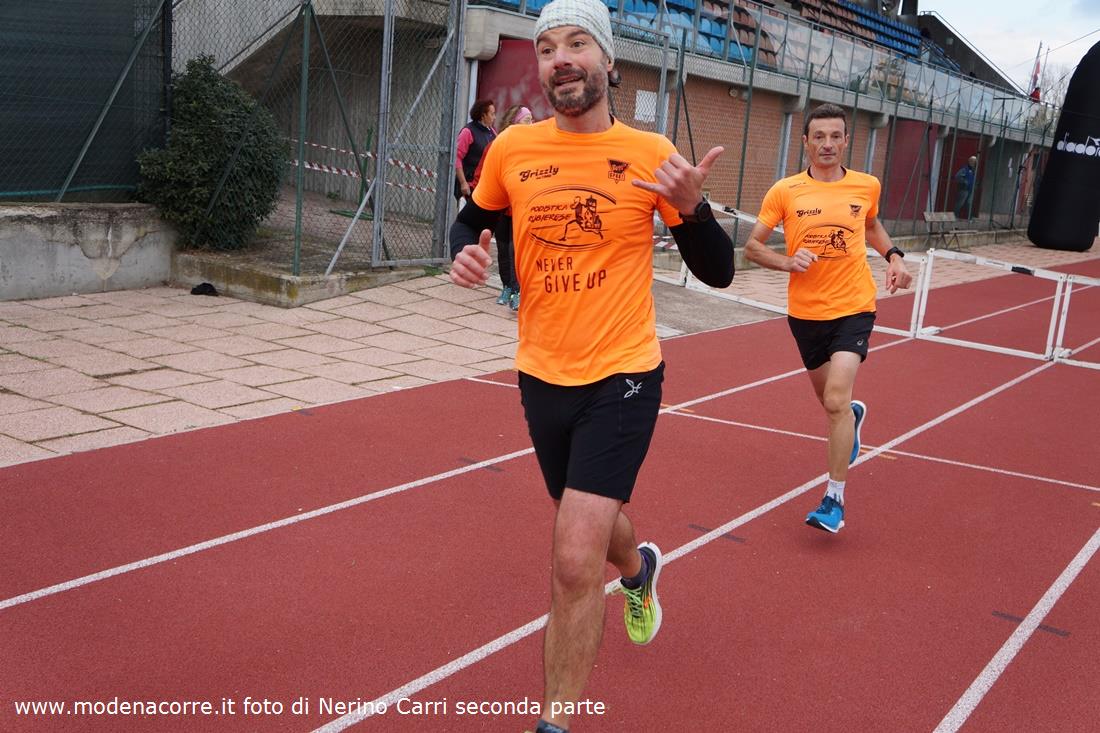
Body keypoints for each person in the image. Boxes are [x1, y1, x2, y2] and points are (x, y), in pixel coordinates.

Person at [448, 1, 734, 730]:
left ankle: (554, 722)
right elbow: (471, 219)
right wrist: (464, 252)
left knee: (574, 560)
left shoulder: (649, 152)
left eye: (577, 43)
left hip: (623, 374)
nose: (561, 59)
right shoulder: (514, 149)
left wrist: (695, 209)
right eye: (546, 48)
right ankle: (639, 570)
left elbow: (719, 272)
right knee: (592, 525)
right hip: (541, 374)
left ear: (608, 59)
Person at [744, 102, 912, 535]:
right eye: (819, 136)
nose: (827, 144)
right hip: (806, 314)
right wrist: (787, 262)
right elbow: (752, 247)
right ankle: (852, 417)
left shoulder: (865, 185)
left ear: (846, 140)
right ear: (805, 142)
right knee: (831, 402)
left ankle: (833, 499)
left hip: (855, 306)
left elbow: (871, 226)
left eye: (836, 136)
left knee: (835, 398)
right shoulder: (785, 191)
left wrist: (894, 256)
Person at [471, 103, 535, 310]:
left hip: (520, 209)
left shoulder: (533, 148)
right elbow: (481, 174)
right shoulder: (497, 145)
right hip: (500, 208)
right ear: (514, 122)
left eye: (532, 120)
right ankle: (507, 286)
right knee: (503, 249)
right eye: (527, 120)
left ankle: (518, 291)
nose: (532, 124)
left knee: (516, 250)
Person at [454, 98, 497, 202]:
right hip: (469, 185)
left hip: (484, 184)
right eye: (492, 114)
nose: (494, 117)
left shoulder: (492, 132)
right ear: (483, 115)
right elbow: (457, 158)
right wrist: (463, 183)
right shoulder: (468, 132)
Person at [954, 155, 977, 219]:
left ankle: (970, 217)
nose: (973, 163)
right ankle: (955, 216)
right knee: (960, 203)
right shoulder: (964, 169)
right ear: (969, 161)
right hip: (964, 189)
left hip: (970, 190)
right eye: (972, 161)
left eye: (974, 162)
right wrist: (964, 182)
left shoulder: (973, 170)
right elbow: (957, 176)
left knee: (969, 203)